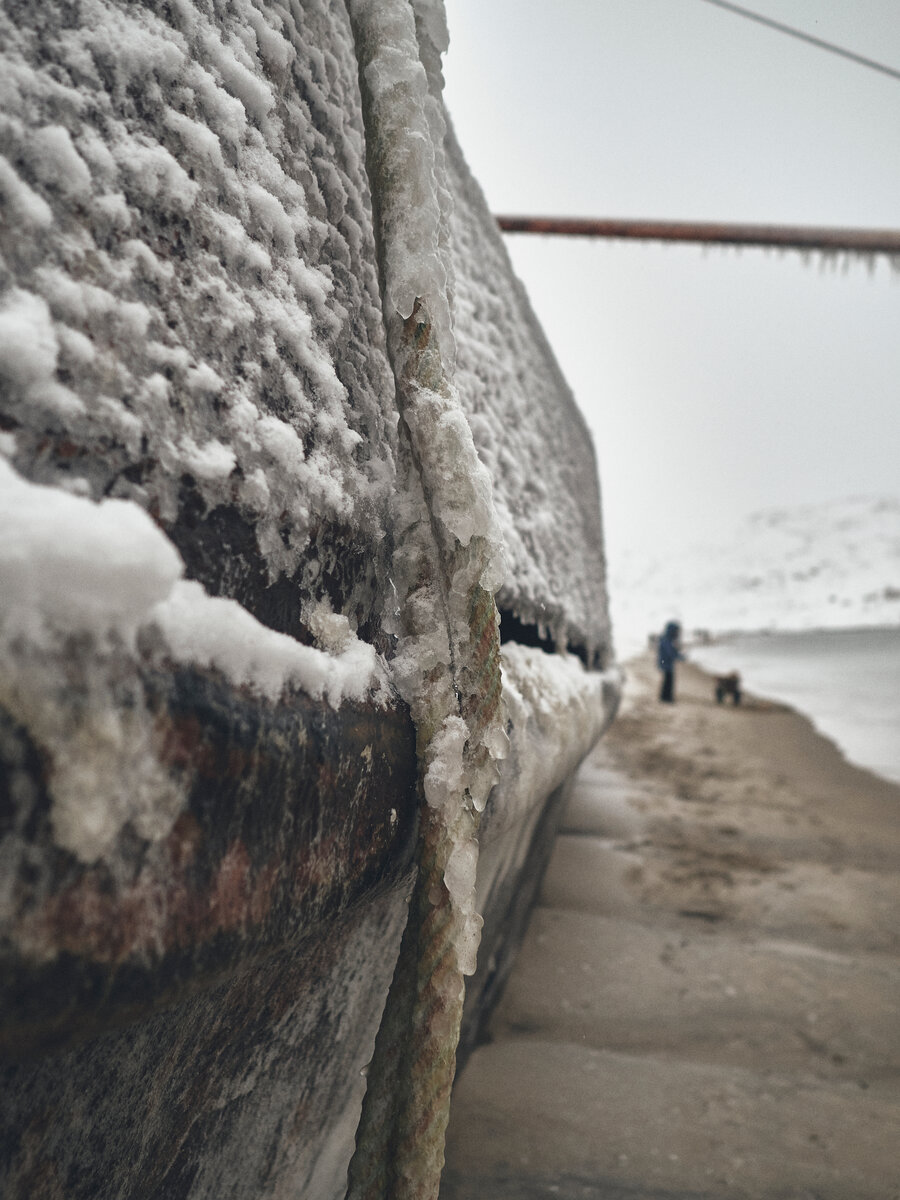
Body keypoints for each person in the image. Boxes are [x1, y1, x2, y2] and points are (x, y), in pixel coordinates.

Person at [657, 620, 684, 703]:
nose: (677, 633)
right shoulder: (666, 640)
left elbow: (672, 651)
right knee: (668, 681)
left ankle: (665, 697)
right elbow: (671, 653)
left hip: (666, 664)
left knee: (667, 681)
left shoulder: (666, 639)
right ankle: (666, 698)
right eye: (676, 631)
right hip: (666, 664)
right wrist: (679, 657)